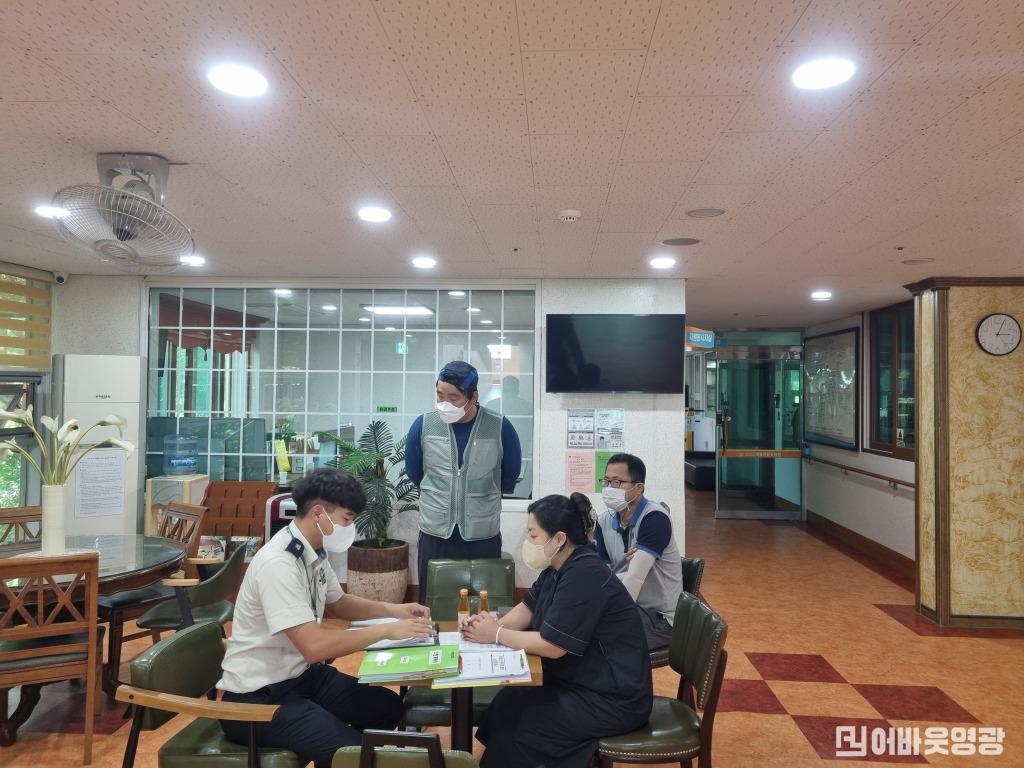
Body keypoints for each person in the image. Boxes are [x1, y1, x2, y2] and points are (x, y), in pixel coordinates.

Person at [217, 468, 436, 768]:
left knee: (387, 708)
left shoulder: (313, 551)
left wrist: (393, 610)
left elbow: (339, 603)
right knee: (355, 755)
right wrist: (386, 630)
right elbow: (314, 647)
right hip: (258, 699)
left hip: (301, 677)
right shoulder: (278, 563)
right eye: (347, 519)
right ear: (319, 513)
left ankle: (333, 750)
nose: (351, 527)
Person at [462, 493, 653, 768]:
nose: (528, 542)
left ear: (559, 538)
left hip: (612, 699)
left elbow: (553, 646)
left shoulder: (585, 573)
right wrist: (485, 627)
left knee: (523, 728)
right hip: (578, 683)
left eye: (533, 535)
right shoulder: (556, 568)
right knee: (509, 700)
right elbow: (526, 609)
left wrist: (495, 634)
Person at [404, 360, 522, 591]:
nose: (445, 403)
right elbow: (414, 471)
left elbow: (510, 474)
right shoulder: (424, 425)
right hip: (436, 533)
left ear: (473, 396)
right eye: (440, 396)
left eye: (454, 397)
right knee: (434, 599)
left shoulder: (499, 427)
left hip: (482, 535)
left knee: (482, 601)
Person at [592, 453, 683, 652]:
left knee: (589, 639)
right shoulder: (603, 521)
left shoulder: (655, 518)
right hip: (629, 607)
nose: (609, 488)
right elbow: (601, 576)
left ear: (639, 488)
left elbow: (634, 580)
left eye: (617, 482)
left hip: (659, 620)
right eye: (606, 481)